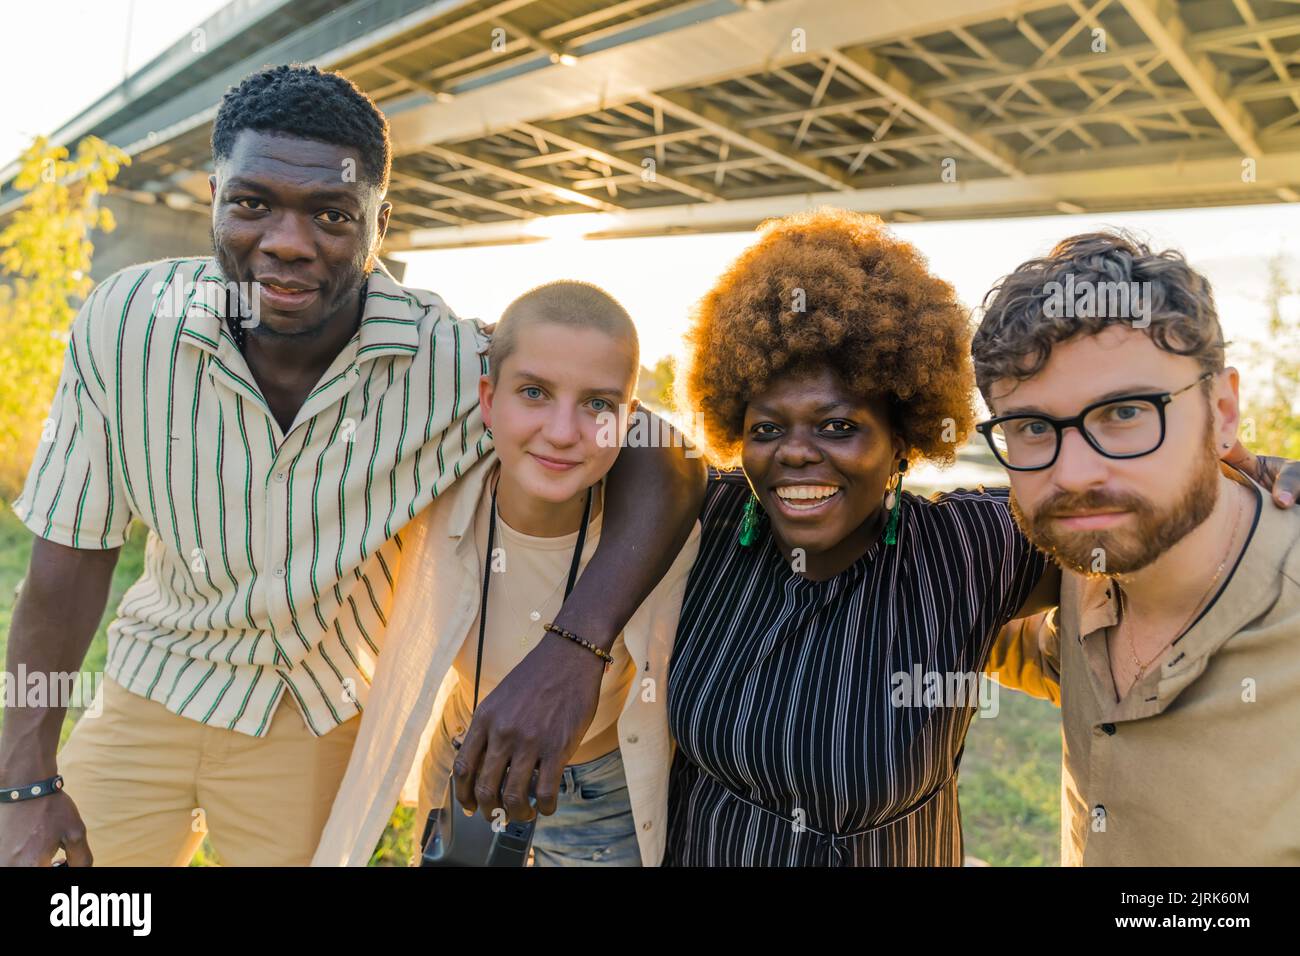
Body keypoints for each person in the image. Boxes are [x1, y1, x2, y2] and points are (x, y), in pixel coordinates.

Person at [0, 65, 701, 867]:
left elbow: (660, 450)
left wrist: (570, 654)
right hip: (147, 686)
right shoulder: (126, 323)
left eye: (332, 214)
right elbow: (67, 557)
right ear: (214, 198)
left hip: (314, 713)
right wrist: (23, 781)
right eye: (252, 203)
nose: (288, 243)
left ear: (380, 224)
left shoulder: (448, 361)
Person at [658, 208, 1060, 866]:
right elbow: (593, 451)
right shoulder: (707, 520)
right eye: (766, 429)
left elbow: (1120, 518)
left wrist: (1241, 474)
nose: (794, 453)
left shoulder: (969, 550)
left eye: (836, 426)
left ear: (902, 437)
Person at [314, 281, 700, 866]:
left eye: (598, 404)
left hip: (597, 795)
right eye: (535, 393)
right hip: (466, 759)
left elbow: (682, 456)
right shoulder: (434, 494)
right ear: (488, 401)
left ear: (629, 420)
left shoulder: (658, 534)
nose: (564, 432)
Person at [976, 231, 1300, 865]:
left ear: (1225, 411)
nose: (1075, 474)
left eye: (1125, 412)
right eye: (1034, 427)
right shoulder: (1084, 582)